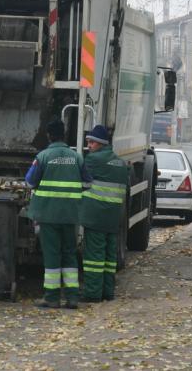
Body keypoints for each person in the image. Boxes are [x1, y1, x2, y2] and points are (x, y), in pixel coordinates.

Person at [26, 120, 89, 309]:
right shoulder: (76, 157)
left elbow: (29, 182)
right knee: (69, 253)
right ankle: (72, 298)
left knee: (52, 254)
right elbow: (87, 183)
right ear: (64, 134)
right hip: (71, 215)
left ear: (49, 135)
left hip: (48, 214)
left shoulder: (43, 156)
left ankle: (52, 297)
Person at [79, 125, 129, 303]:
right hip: (113, 217)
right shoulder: (121, 163)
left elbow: (82, 181)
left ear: (100, 143)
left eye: (92, 142)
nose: (89, 145)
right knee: (109, 257)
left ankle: (93, 293)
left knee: (94, 257)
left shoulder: (93, 160)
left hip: (95, 216)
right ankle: (108, 292)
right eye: (88, 142)